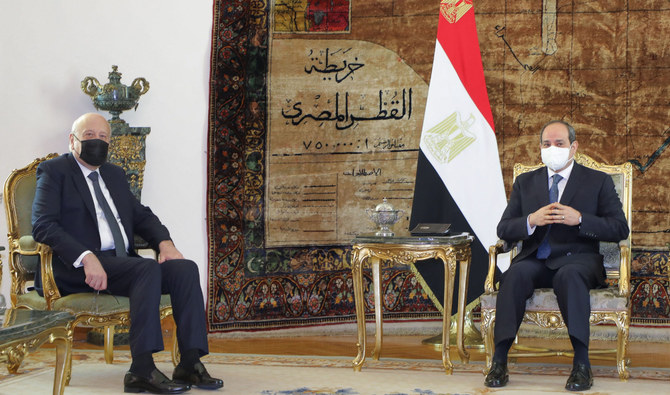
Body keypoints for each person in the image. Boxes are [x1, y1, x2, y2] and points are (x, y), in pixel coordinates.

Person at [32, 113, 224, 394]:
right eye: (89, 136)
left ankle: (190, 363)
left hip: (121, 265)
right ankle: (142, 370)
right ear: (72, 140)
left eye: (103, 137)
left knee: (185, 268)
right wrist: (86, 256)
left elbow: (142, 216)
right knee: (145, 269)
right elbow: (43, 224)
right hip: (76, 267)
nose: (97, 141)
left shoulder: (114, 174)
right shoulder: (54, 171)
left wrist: (165, 243)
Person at [483, 120, 629, 391]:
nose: (552, 149)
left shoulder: (597, 181)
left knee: (570, 275)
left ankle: (582, 364)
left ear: (573, 147)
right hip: (535, 258)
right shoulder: (526, 183)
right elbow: (504, 228)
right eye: (546, 144)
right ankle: (499, 360)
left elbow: (620, 228)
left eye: (559, 144)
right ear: (540, 148)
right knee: (514, 275)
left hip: (579, 259)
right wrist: (531, 220)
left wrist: (581, 219)